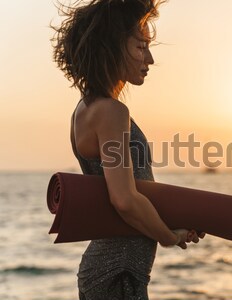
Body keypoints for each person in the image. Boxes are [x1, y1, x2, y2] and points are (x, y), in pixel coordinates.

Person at [51, 0, 205, 298]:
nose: (149, 58)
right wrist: (167, 237)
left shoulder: (85, 108)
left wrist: (174, 222)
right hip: (117, 271)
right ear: (110, 47)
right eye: (140, 47)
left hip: (113, 268)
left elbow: (131, 194)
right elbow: (123, 199)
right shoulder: (111, 112)